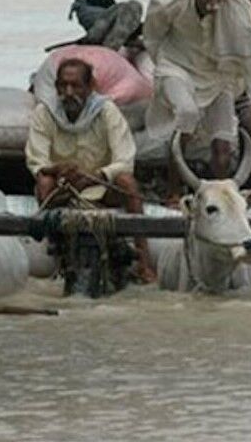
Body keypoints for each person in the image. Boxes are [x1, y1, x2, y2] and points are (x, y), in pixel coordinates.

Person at [144, 0, 251, 186]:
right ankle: (174, 191)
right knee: (187, 112)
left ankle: (222, 193)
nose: (214, 2)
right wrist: (164, 68)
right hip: (176, 67)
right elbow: (153, 39)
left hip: (217, 74)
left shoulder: (238, 9)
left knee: (224, 141)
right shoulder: (168, 5)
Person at [26, 58, 155, 282]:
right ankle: (55, 252)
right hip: (63, 188)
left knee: (128, 183)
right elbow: (36, 161)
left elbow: (125, 159)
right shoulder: (45, 113)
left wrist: (96, 177)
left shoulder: (106, 111)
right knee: (43, 182)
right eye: (63, 86)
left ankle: (143, 263)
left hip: (102, 187)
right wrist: (57, 169)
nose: (69, 92)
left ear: (90, 87)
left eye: (76, 86)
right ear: (56, 88)